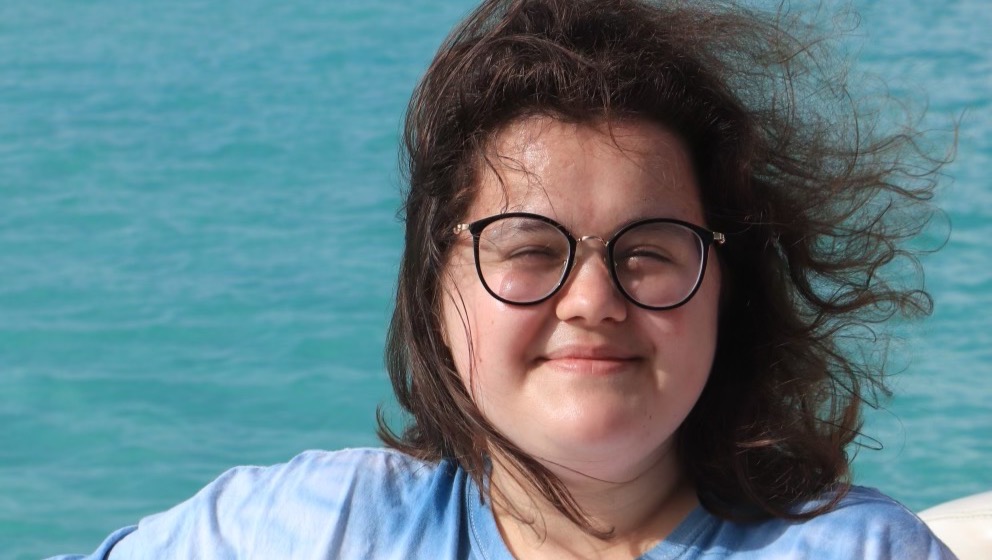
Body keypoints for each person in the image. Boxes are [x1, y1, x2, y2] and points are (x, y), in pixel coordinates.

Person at [51, 0, 956, 558]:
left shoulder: (859, 552)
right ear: (434, 290)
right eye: (529, 250)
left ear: (727, 288)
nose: (593, 301)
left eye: (648, 251)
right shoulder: (302, 528)